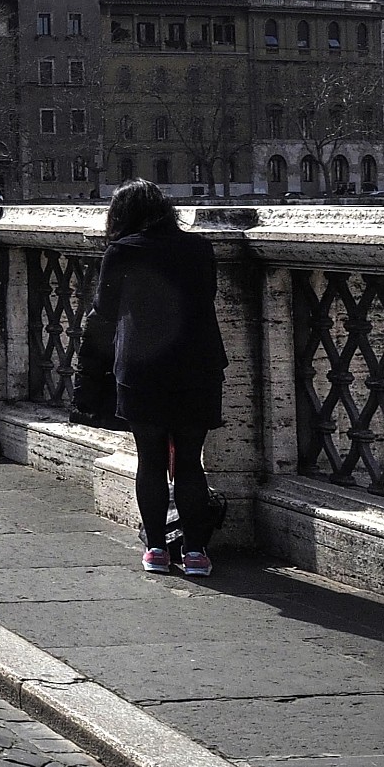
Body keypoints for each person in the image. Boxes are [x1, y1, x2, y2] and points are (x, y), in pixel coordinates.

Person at [72, 180, 228, 577]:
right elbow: (206, 295)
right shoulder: (199, 248)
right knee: (191, 462)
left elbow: (104, 309)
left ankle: (157, 549)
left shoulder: (122, 251)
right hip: (198, 365)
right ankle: (195, 553)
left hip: (143, 367)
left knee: (152, 459)